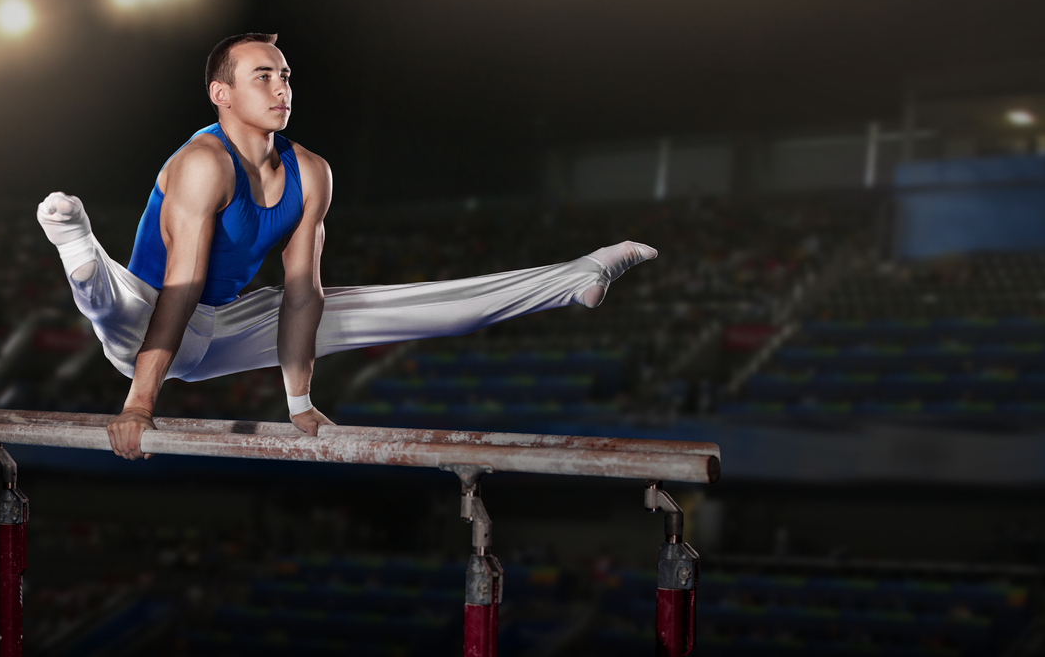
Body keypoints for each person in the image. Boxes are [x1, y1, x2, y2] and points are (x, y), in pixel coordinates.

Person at [37, 33, 656, 461]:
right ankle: (78, 245)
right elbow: (181, 285)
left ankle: (573, 278)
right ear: (220, 95)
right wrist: (139, 405)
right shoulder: (203, 164)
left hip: (216, 324)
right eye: (262, 77)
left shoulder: (311, 172)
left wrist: (301, 404)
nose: (281, 88)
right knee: (112, 303)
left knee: (373, 304)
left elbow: (303, 297)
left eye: (285, 76)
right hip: (153, 312)